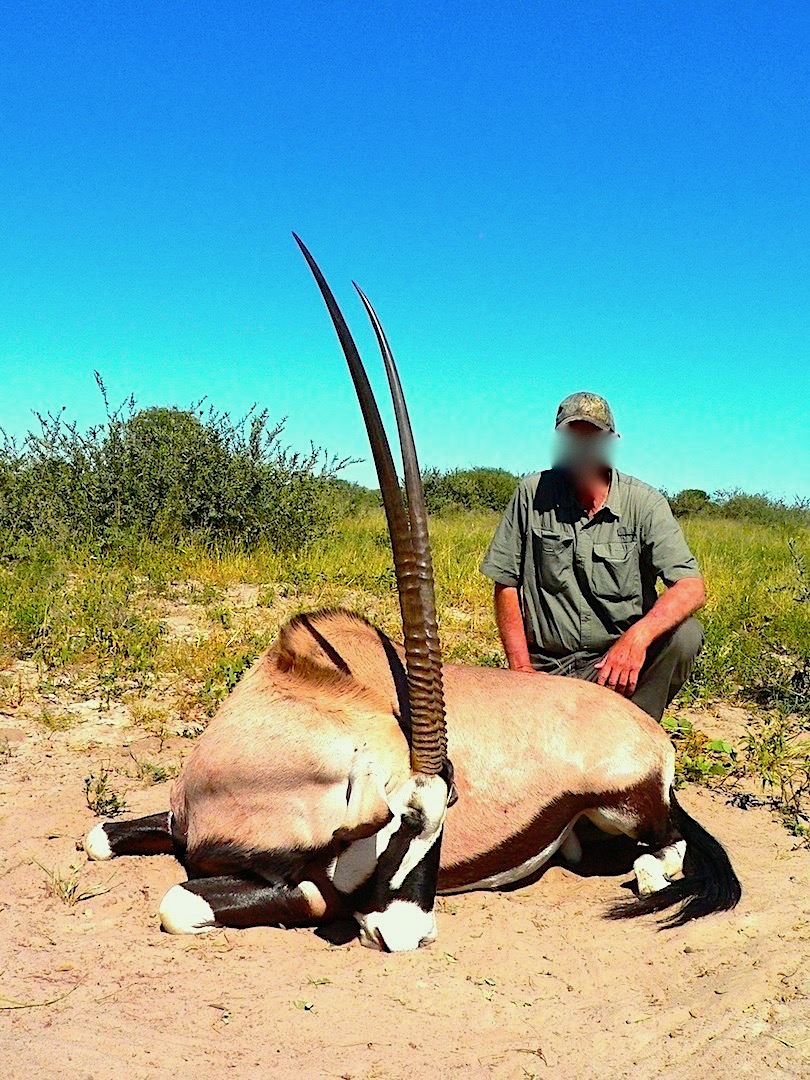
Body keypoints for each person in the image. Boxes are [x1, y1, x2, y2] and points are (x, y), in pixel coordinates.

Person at [480, 392, 706, 722]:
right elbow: (506, 582)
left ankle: (635, 726)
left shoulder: (644, 503)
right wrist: (520, 667)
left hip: (616, 665)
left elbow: (690, 586)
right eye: (573, 438)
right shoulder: (530, 494)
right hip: (548, 667)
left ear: (611, 442)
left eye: (594, 438)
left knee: (686, 635)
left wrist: (636, 639)